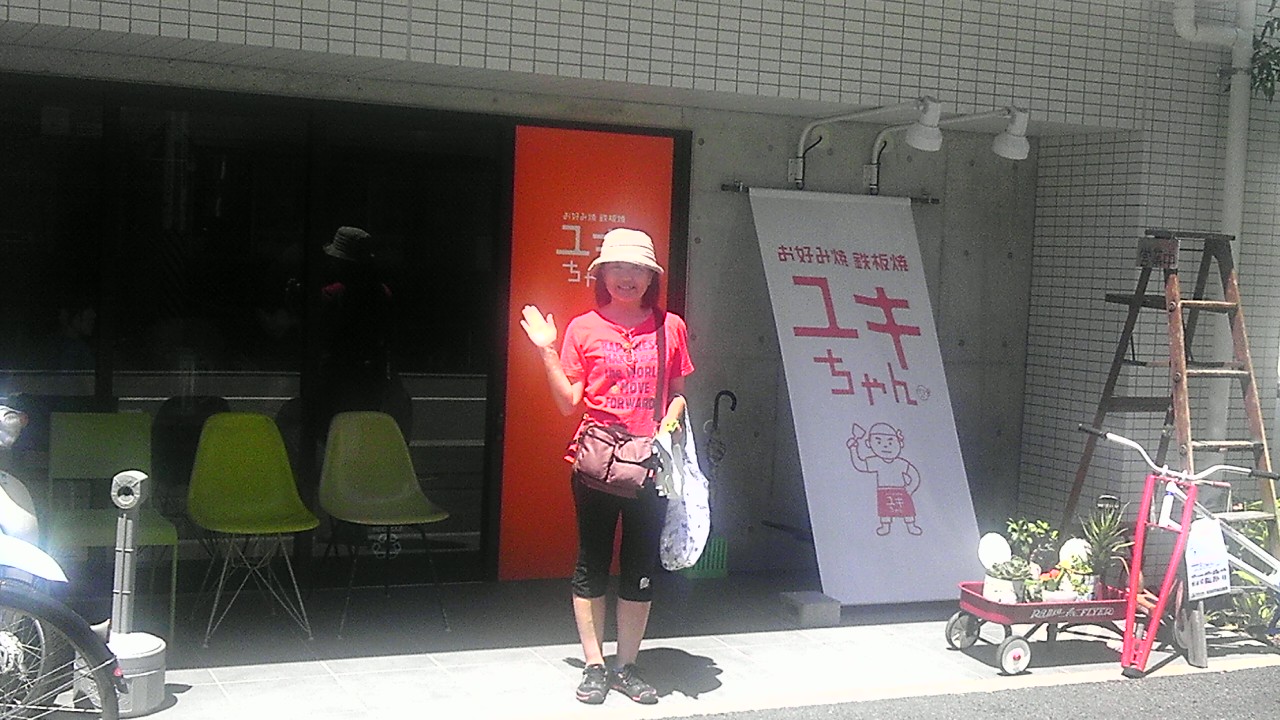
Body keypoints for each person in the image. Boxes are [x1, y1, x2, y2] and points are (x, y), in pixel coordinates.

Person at [519, 227, 694, 706]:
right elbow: (567, 403)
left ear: (651, 277)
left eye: (637, 269)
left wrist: (669, 423)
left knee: (640, 567)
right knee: (591, 562)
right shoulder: (583, 327)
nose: (627, 277)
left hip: (650, 465)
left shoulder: (670, 326)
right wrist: (546, 349)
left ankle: (627, 666)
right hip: (597, 461)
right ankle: (595, 666)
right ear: (602, 275)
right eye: (617, 267)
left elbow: (678, 394)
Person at [310, 226, 410, 441]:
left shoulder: (334, 294)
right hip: (371, 378)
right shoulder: (382, 293)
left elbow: (320, 331)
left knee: (330, 435)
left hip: (337, 377)